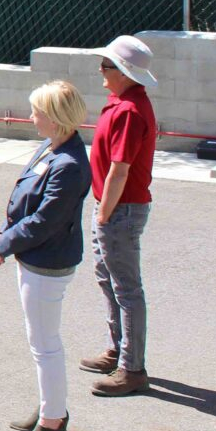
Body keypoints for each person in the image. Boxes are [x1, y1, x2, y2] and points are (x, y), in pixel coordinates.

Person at [0, 80, 92, 431]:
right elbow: (22, 198)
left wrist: (4, 242)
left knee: (46, 346)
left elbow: (45, 221)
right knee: (40, 342)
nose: (31, 118)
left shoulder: (70, 165)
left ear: (55, 117)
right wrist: (3, 233)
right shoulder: (51, 148)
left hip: (48, 263)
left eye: (37, 112)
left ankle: (52, 423)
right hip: (32, 257)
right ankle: (50, 405)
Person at [81, 35, 159, 396]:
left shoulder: (129, 110)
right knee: (109, 281)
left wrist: (103, 214)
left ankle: (132, 368)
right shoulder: (122, 102)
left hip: (119, 209)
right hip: (113, 207)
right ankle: (119, 351)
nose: (101, 70)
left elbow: (120, 169)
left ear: (125, 72)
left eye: (107, 65)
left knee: (126, 288)